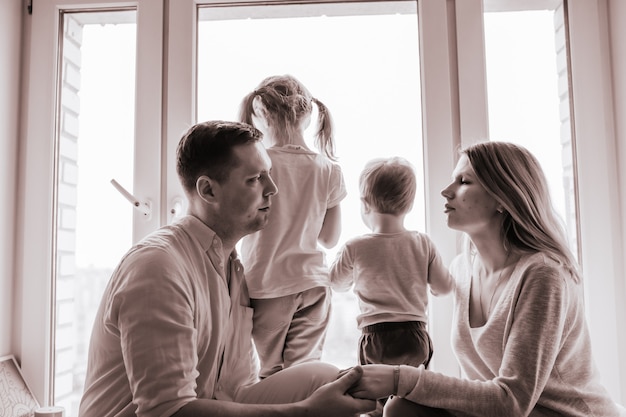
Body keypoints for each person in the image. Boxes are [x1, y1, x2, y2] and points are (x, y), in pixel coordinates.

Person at [78, 121, 375, 417]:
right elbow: (168, 411)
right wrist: (304, 412)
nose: (273, 189)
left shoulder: (231, 268)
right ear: (208, 190)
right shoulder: (158, 267)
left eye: (268, 174)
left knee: (324, 379)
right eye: (255, 179)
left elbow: (233, 391)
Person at [346, 141, 626, 416]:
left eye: (464, 181)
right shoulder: (461, 270)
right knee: (399, 408)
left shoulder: (543, 275)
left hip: (564, 413)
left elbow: (512, 402)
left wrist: (399, 378)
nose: (446, 191)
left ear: (502, 199)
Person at [238, 75, 347, 378]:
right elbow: (329, 238)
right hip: (312, 284)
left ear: (259, 113)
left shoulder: (258, 165)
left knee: (272, 374)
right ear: (309, 115)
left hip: (266, 285)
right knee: (304, 374)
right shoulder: (328, 169)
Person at [329, 157, 453, 416]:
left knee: (374, 403)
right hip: (414, 333)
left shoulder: (356, 247)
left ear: (364, 203)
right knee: (412, 398)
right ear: (408, 204)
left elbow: (335, 283)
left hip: (376, 337)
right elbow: (444, 287)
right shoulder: (422, 243)